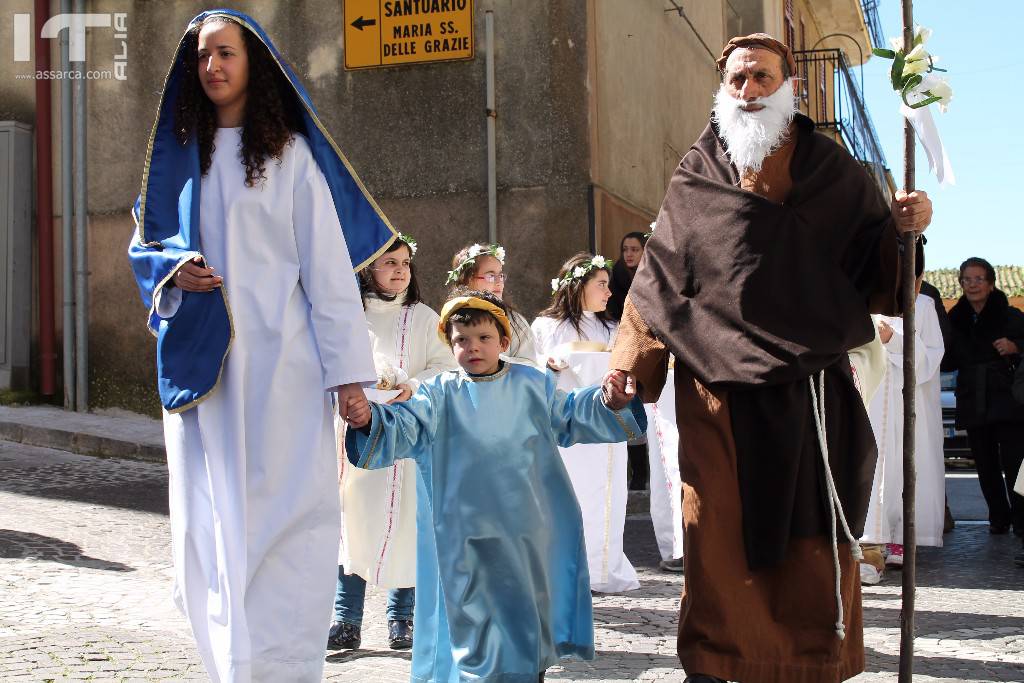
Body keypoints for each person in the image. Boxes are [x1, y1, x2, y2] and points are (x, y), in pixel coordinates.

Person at [604, 33, 932, 683]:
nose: (749, 91)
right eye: (737, 80)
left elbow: (883, 277)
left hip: (808, 388)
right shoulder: (695, 172)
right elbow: (660, 278)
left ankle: (808, 661)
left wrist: (907, 230)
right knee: (714, 535)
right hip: (712, 393)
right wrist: (629, 361)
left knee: (807, 541)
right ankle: (715, 662)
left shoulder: (833, 170)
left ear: (790, 87)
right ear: (722, 88)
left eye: (762, 78)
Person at [127, 10, 394, 681]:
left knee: (290, 525)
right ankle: (230, 668)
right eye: (202, 56)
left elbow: (330, 278)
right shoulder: (178, 160)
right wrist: (172, 271)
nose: (212, 66)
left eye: (225, 54)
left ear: (255, 66)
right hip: (205, 376)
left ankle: (282, 668)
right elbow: (146, 247)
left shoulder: (289, 158)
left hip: (285, 374)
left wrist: (348, 378)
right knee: (209, 531)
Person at [342, 292, 645, 682]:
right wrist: (371, 420)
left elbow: (570, 415)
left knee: (524, 613)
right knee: (471, 622)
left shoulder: (532, 384)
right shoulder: (438, 394)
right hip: (462, 536)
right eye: (461, 340)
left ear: (503, 342)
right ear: (449, 345)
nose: (472, 348)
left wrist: (609, 400)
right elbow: (403, 427)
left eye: (483, 338)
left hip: (526, 532)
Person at [329, 234, 457, 651]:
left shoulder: (424, 318)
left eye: (405, 262)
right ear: (368, 268)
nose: (400, 270)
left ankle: (402, 618)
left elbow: (446, 368)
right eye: (389, 263)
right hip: (358, 428)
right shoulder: (349, 314)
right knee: (353, 520)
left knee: (407, 522)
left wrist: (411, 386)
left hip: (406, 432)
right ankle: (346, 618)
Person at [533, 253, 640, 593]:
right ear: (578, 286)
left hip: (606, 426)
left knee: (606, 496)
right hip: (568, 427)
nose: (609, 292)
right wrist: (547, 365)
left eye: (609, 285)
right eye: (602, 285)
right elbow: (528, 368)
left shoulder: (612, 328)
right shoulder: (546, 327)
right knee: (570, 495)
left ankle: (602, 568)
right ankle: (564, 568)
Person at [860, 287, 946, 583]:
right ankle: (867, 548)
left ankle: (897, 537)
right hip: (867, 400)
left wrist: (893, 340)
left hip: (904, 402)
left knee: (901, 470)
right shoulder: (856, 301)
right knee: (868, 470)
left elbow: (931, 356)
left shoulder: (922, 305)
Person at [943, 257, 1024, 536]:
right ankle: (998, 518)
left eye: (979, 279)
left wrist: (1016, 346)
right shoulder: (954, 319)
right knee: (985, 465)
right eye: (967, 279)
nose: (972, 285)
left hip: (1007, 399)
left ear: (990, 284)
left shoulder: (1011, 316)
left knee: (1014, 464)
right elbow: (946, 358)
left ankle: (1022, 523)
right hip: (972, 398)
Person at [447, 242, 538, 366]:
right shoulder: (451, 319)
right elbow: (444, 363)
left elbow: (529, 363)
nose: (499, 282)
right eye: (490, 276)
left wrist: (494, 362)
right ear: (468, 279)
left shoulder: (515, 321)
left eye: (500, 275)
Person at [606, 231, 650, 322]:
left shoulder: (654, 273)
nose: (628, 254)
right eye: (625, 249)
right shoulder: (616, 275)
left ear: (645, 251)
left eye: (634, 250)